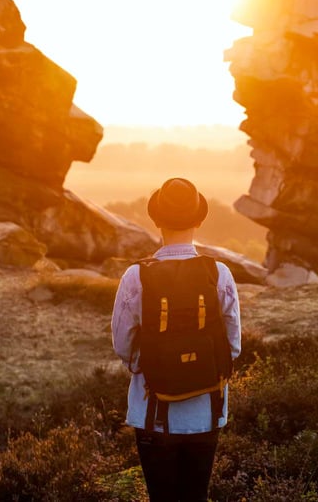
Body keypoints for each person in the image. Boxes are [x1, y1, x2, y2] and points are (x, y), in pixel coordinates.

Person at [111, 177, 242, 501]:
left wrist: (157, 365)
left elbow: (123, 346)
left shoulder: (136, 277)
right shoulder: (219, 273)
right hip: (207, 411)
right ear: (199, 219)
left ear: (156, 220)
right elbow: (234, 344)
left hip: (153, 414)